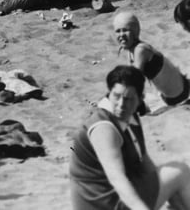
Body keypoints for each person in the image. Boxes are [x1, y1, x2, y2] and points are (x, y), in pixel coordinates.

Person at [69, 65, 190, 210]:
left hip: (115, 195)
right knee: (179, 172)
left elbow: (144, 161)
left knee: (175, 182)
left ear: (140, 99)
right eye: (116, 96)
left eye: (128, 99)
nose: (121, 105)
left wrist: (163, 191)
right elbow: (117, 179)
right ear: (109, 93)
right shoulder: (104, 128)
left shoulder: (130, 116)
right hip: (101, 203)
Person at [113, 11, 188, 106]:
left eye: (125, 30)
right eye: (118, 31)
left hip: (177, 96)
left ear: (135, 31)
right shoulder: (133, 50)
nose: (121, 34)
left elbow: (135, 79)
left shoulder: (141, 50)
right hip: (179, 89)